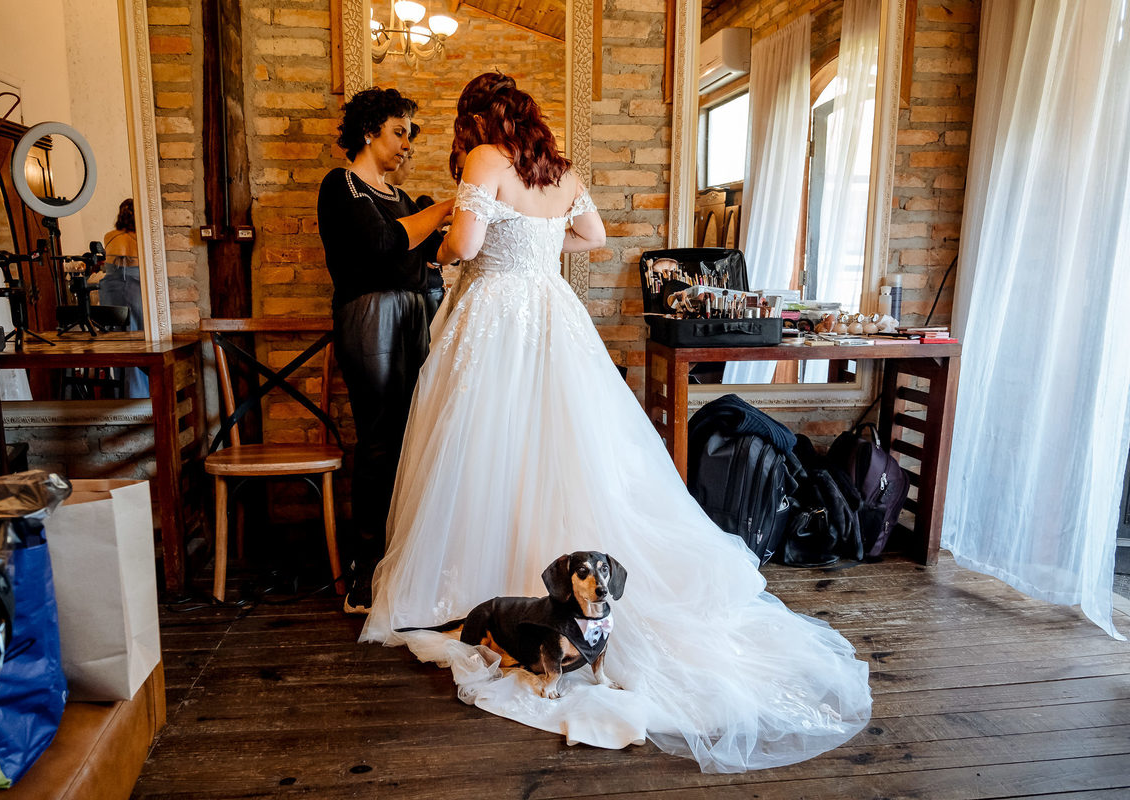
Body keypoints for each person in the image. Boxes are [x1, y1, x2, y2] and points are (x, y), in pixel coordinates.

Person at [359, 73, 872, 774]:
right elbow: (592, 234)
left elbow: (465, 248)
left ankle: (480, 580)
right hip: (551, 312)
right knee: (559, 448)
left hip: (496, 315)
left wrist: (458, 245)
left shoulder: (484, 157)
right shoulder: (559, 170)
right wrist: (538, 247)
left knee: (483, 447)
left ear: (477, 118)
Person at [317, 88, 454, 614]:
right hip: (369, 317)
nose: (407, 145)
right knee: (379, 440)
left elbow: (423, 259)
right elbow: (378, 247)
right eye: (400, 132)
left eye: (411, 136)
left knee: (415, 436)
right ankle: (364, 574)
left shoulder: (401, 199)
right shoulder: (341, 187)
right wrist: (442, 209)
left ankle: (406, 562)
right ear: (370, 130)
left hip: (417, 312)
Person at [385, 123, 446, 323]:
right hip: (388, 310)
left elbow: (434, 248)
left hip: (413, 304)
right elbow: (388, 243)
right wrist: (442, 210)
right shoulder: (343, 183)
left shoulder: (402, 199)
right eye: (411, 156)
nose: (410, 161)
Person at [98, 198, 148, 398]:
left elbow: (106, 266)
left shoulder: (110, 235)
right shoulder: (142, 238)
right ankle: (139, 393)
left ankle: (121, 393)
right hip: (136, 287)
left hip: (111, 290)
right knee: (138, 337)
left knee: (117, 339)